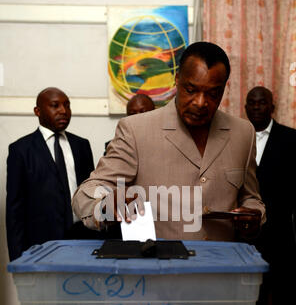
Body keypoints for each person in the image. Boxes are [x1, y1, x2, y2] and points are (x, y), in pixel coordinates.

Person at [73, 42, 265, 243]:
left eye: (212, 94)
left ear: (223, 90)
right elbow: (87, 192)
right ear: (177, 80)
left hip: (225, 268)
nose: (200, 102)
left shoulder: (243, 133)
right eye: (191, 90)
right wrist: (105, 204)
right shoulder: (135, 131)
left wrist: (253, 214)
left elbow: (251, 197)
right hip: (158, 269)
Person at [6, 87, 96, 261]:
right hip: (40, 245)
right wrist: (17, 257)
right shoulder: (21, 150)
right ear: (37, 111)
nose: (63, 111)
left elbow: (90, 193)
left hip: (83, 240)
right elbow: (15, 208)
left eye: (67, 105)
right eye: (55, 105)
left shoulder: (81, 145)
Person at [245, 86, 296, 305]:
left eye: (262, 102)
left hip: (282, 237)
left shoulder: (292, 139)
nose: (257, 107)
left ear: (272, 106)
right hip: (246, 239)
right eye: (251, 103)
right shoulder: (234, 137)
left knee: (288, 303)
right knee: (250, 301)